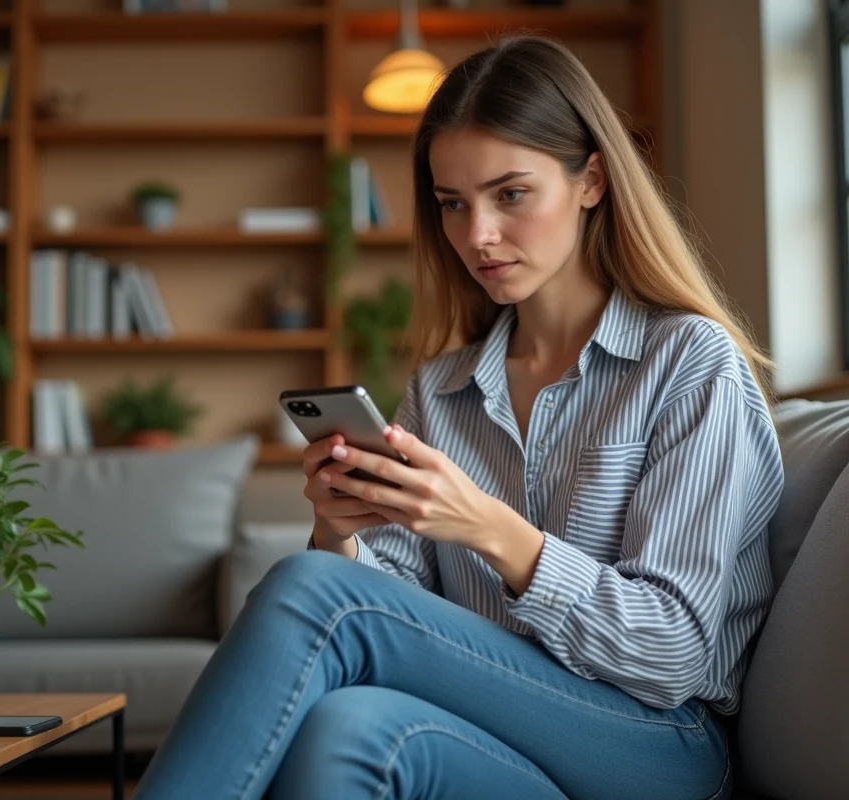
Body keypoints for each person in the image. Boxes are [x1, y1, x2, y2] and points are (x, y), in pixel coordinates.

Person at [133, 34, 783, 800]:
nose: (477, 235)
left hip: (658, 746)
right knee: (350, 733)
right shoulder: (440, 392)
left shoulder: (688, 361)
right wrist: (340, 530)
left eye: (510, 194)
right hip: (500, 738)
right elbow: (393, 602)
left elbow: (670, 655)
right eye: (452, 204)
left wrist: (489, 528)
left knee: (310, 590)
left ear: (592, 181)